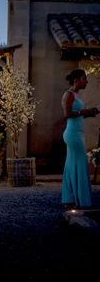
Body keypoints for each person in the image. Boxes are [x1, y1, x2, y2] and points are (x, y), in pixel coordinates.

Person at [61, 69, 99, 208]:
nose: (87, 81)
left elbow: (79, 114)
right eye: (84, 78)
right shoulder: (69, 94)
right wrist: (85, 111)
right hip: (73, 134)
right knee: (80, 164)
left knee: (72, 165)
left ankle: (70, 199)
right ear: (77, 79)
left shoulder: (76, 95)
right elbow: (67, 114)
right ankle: (81, 201)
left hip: (78, 134)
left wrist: (91, 112)